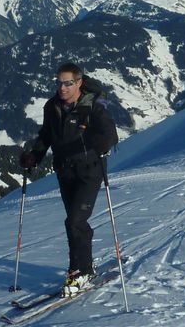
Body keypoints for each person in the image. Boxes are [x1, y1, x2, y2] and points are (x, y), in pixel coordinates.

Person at [20, 62, 118, 297]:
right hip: (65, 172)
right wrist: (35, 155)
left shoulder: (92, 106)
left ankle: (78, 272)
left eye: (68, 83)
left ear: (79, 83)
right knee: (75, 223)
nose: (62, 88)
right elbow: (46, 136)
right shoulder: (52, 106)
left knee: (74, 221)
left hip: (90, 171)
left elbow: (110, 133)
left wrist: (103, 143)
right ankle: (85, 266)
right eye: (59, 82)